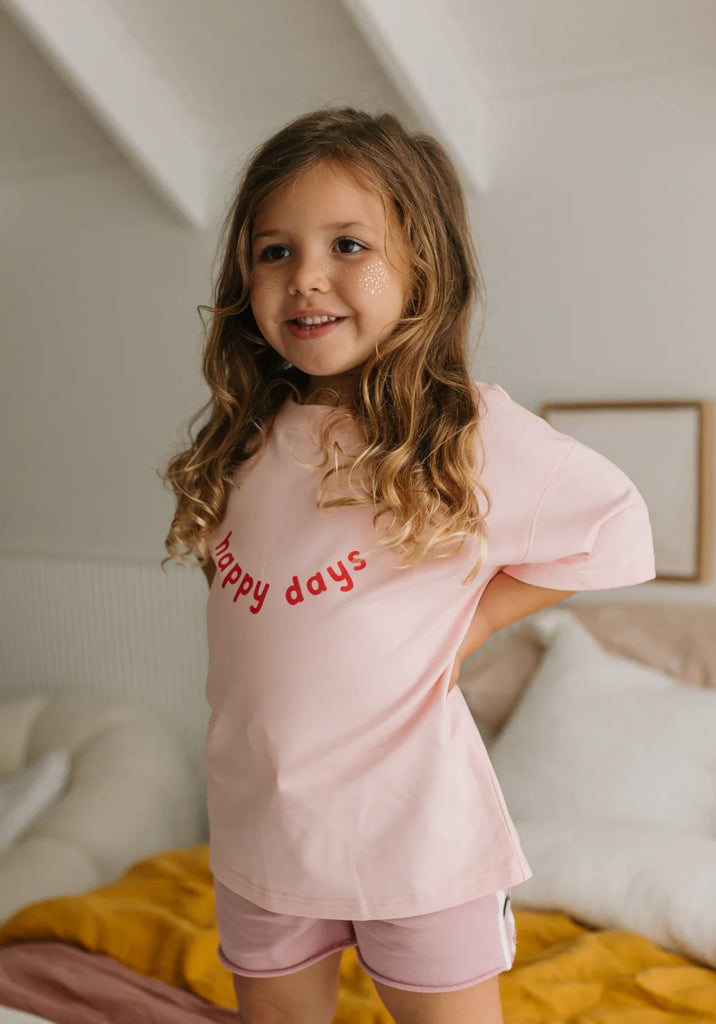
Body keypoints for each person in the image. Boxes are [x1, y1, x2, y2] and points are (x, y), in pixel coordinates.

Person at [161, 107, 655, 1024]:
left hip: (415, 838)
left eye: (348, 244)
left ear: (422, 265)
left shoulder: (464, 430)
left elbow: (619, 526)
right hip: (260, 828)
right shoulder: (248, 439)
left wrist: (472, 623)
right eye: (274, 251)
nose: (306, 277)